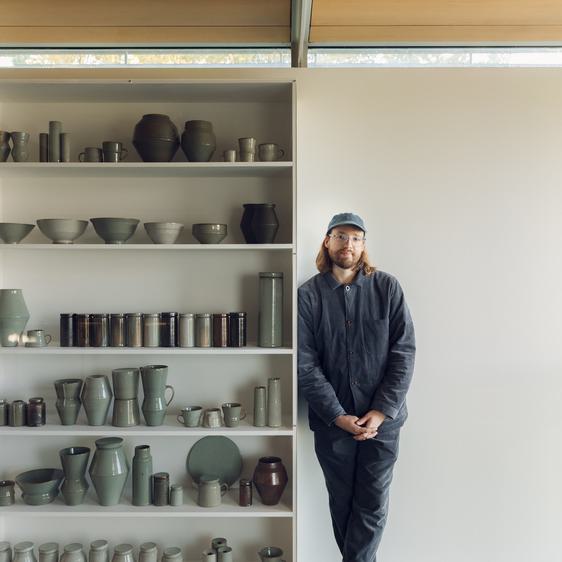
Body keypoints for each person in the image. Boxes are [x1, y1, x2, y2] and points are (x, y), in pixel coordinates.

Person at [298, 212, 416, 562]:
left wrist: (379, 412)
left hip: (384, 423)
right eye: (340, 236)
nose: (347, 244)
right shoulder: (309, 295)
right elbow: (306, 364)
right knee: (343, 503)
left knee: (373, 503)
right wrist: (337, 415)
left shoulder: (387, 288)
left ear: (363, 245)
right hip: (333, 424)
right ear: (327, 241)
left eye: (355, 238)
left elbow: (404, 352)